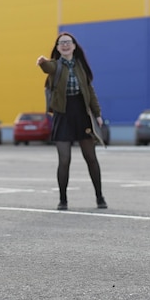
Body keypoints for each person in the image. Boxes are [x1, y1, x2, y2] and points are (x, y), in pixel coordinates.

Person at [36, 32, 107, 211]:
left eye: (68, 42)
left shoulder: (81, 66)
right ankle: (63, 200)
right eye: (61, 43)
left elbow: (90, 92)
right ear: (58, 48)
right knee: (64, 159)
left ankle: (100, 197)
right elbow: (47, 67)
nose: (65, 45)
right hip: (63, 115)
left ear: (74, 46)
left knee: (91, 157)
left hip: (81, 114)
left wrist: (97, 114)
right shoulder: (56, 66)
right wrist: (42, 62)